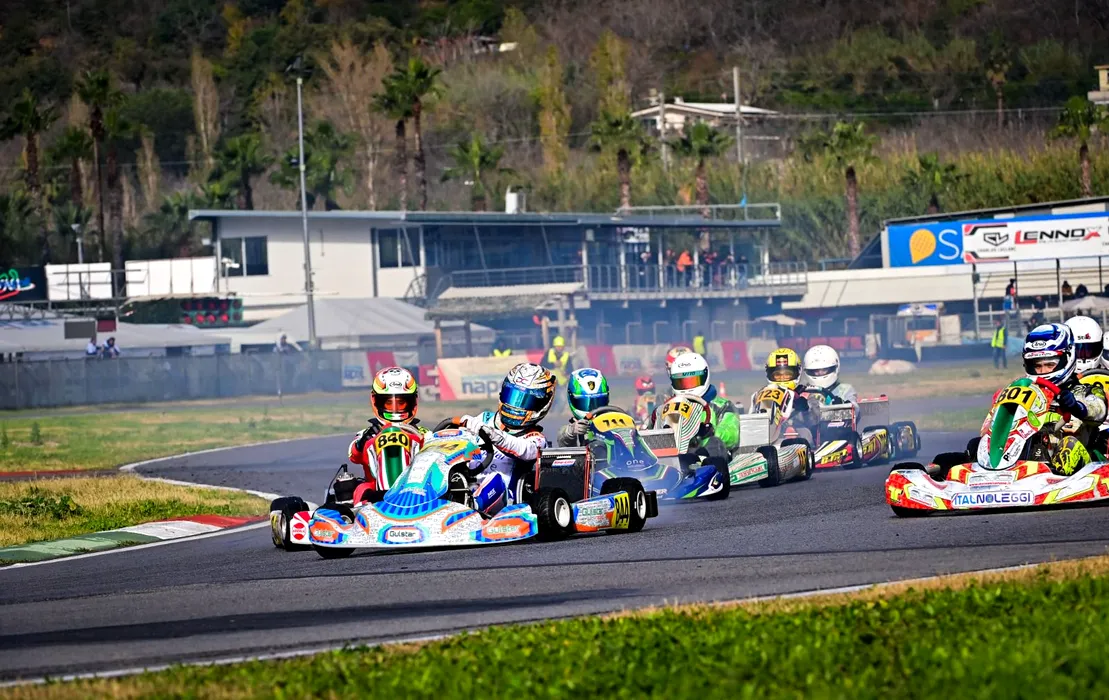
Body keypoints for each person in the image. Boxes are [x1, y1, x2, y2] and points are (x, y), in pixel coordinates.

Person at [460, 362, 554, 514]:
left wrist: (494, 436)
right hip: (468, 485)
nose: (515, 405)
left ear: (541, 405)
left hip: (506, 503)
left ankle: (472, 507)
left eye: (525, 401)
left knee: (495, 479)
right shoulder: (484, 419)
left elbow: (523, 449)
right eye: (511, 396)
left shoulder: (537, 439)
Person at [1021, 323, 1107, 475]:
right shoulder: (1024, 394)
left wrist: (1076, 406)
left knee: (1069, 446)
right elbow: (989, 430)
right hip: (1031, 460)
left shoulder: (1087, 391)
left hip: (1081, 471)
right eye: (1037, 366)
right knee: (978, 444)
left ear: (1067, 358)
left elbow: (1098, 411)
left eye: (1049, 364)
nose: (1043, 371)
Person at [348, 367, 427, 483]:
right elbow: (353, 456)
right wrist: (362, 443)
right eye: (389, 403)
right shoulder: (368, 434)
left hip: (415, 487)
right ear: (376, 402)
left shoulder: (423, 434)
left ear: (412, 403)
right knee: (360, 489)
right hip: (374, 489)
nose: (395, 408)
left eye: (401, 403)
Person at [663, 352, 740, 457]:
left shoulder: (721, 406)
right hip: (675, 459)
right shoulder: (668, 407)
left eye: (692, 381)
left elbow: (732, 434)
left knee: (714, 443)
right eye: (682, 383)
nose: (688, 388)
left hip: (708, 459)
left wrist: (709, 431)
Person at [556, 368, 610, 447]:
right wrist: (571, 431)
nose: (592, 409)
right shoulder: (573, 428)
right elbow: (563, 440)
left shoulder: (613, 419)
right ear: (571, 398)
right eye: (584, 403)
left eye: (598, 402)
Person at [799, 345, 858, 410]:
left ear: (835, 368)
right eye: (816, 371)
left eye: (824, 370)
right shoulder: (803, 392)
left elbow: (855, 409)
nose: (820, 373)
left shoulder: (845, 390)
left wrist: (841, 405)